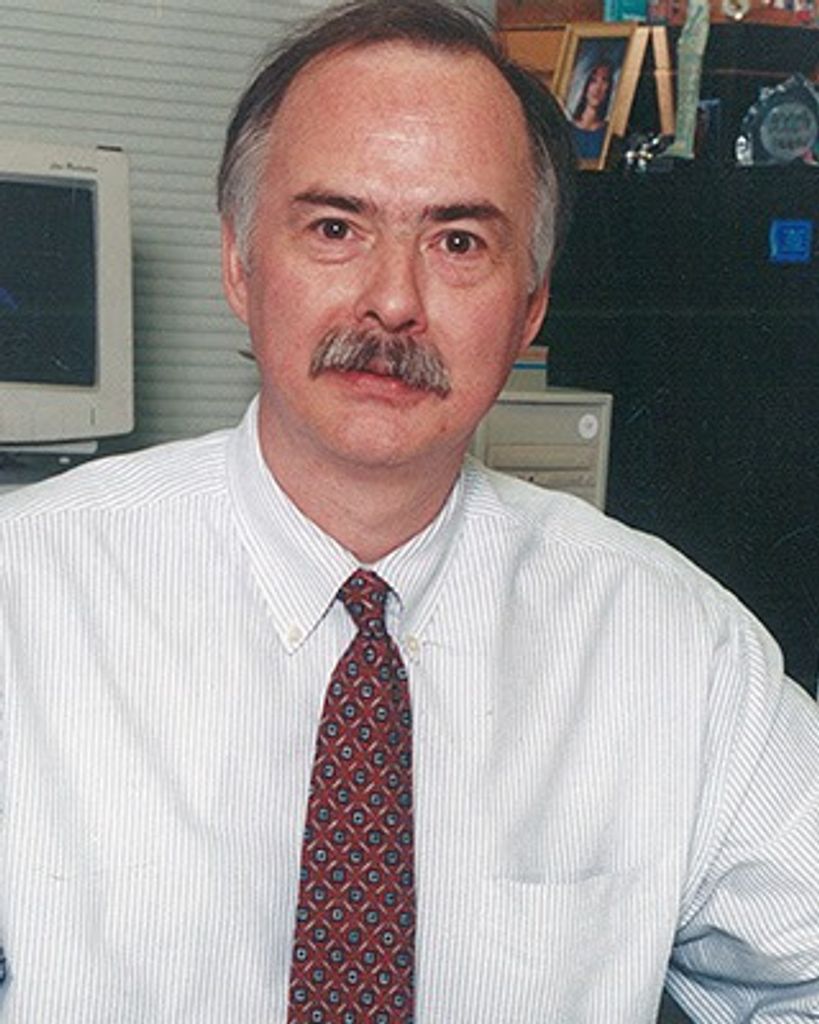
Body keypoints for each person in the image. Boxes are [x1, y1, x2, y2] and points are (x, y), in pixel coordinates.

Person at [0, 1, 817, 1021]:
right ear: (240, 264)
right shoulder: (24, 596)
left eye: (459, 240)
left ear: (529, 308)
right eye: (335, 228)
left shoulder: (675, 647)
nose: (393, 300)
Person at [571, 56, 615, 160]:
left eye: (604, 81)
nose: (598, 88)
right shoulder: (567, 129)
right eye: (593, 81)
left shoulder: (608, 133)